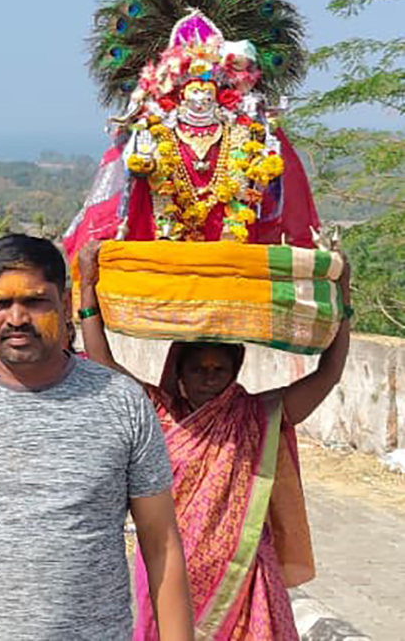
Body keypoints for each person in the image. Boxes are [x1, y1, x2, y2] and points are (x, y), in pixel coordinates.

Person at [0, 234, 194, 641]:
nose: (16, 318)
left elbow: (161, 543)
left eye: (34, 301)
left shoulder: (122, 404)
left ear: (65, 303)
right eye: (0, 304)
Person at [78, 241, 349, 640]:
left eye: (218, 369)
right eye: (198, 369)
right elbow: (103, 364)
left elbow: (328, 375)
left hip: (243, 575)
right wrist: (88, 288)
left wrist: (344, 299)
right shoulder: (157, 413)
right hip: (169, 571)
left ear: (234, 370)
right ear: (180, 372)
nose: (208, 378)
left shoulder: (257, 415)